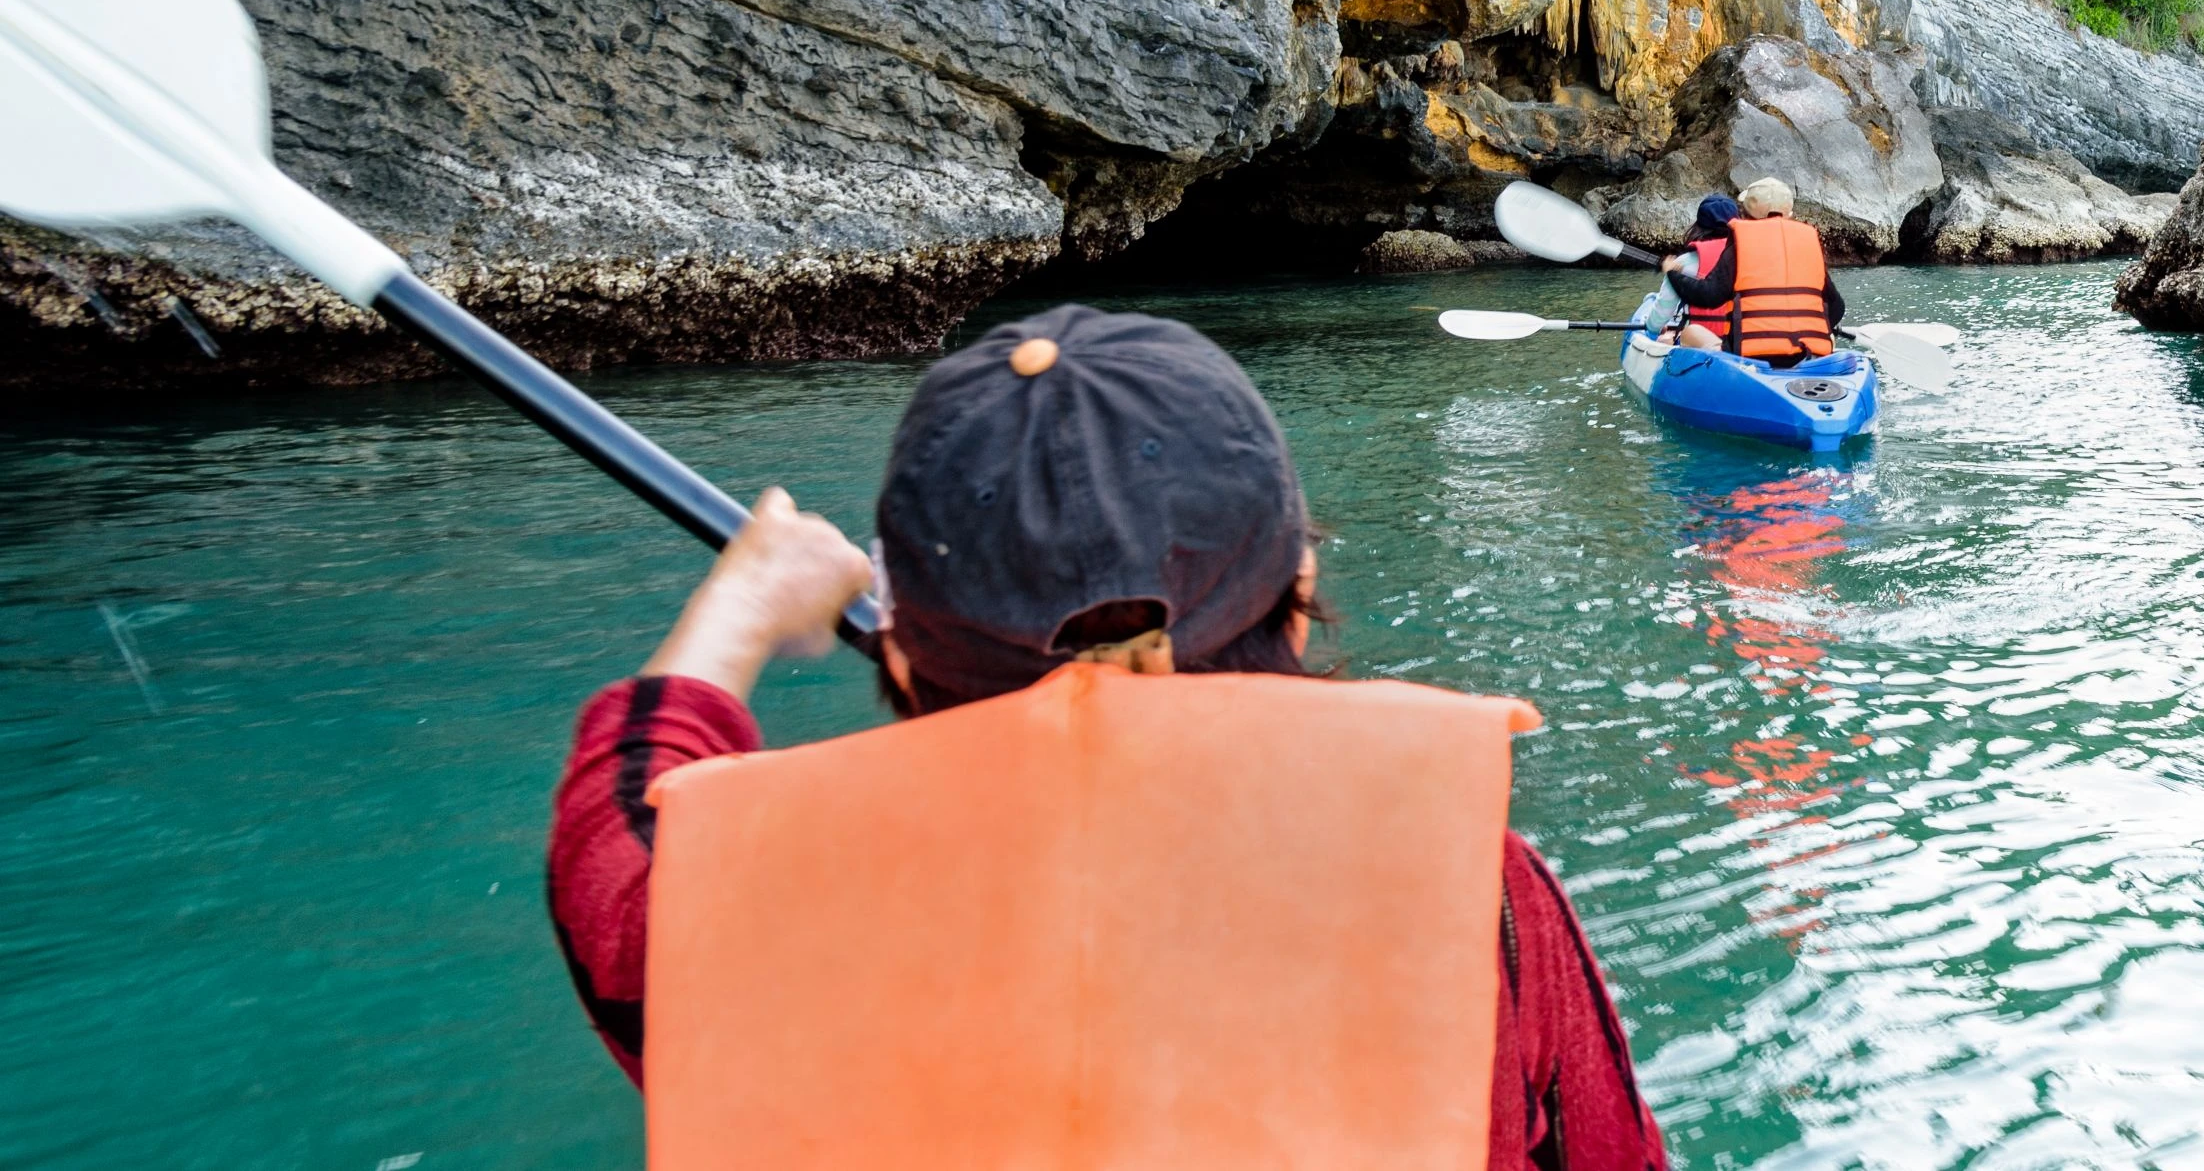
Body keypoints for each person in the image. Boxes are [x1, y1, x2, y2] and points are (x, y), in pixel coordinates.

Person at [545, 305, 1668, 1171]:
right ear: (1299, 591)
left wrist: (741, 608)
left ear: (896, 654)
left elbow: (614, 851)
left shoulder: (760, 921)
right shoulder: (1477, 893)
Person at [1661, 177, 1838, 365]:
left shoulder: (1741, 244)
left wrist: (1673, 273)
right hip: (1805, 354)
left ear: (1745, 214)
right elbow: (1837, 308)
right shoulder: (1806, 245)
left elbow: (1709, 296)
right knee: (1830, 339)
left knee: (1691, 332)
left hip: (1752, 357)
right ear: (1789, 215)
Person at [1669, 194, 1740, 350]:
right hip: (1741, 342)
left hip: (1703, 344)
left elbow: (1663, 309)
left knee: (1665, 338)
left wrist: (1653, 329)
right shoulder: (1748, 256)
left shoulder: (1685, 261)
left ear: (1699, 226)